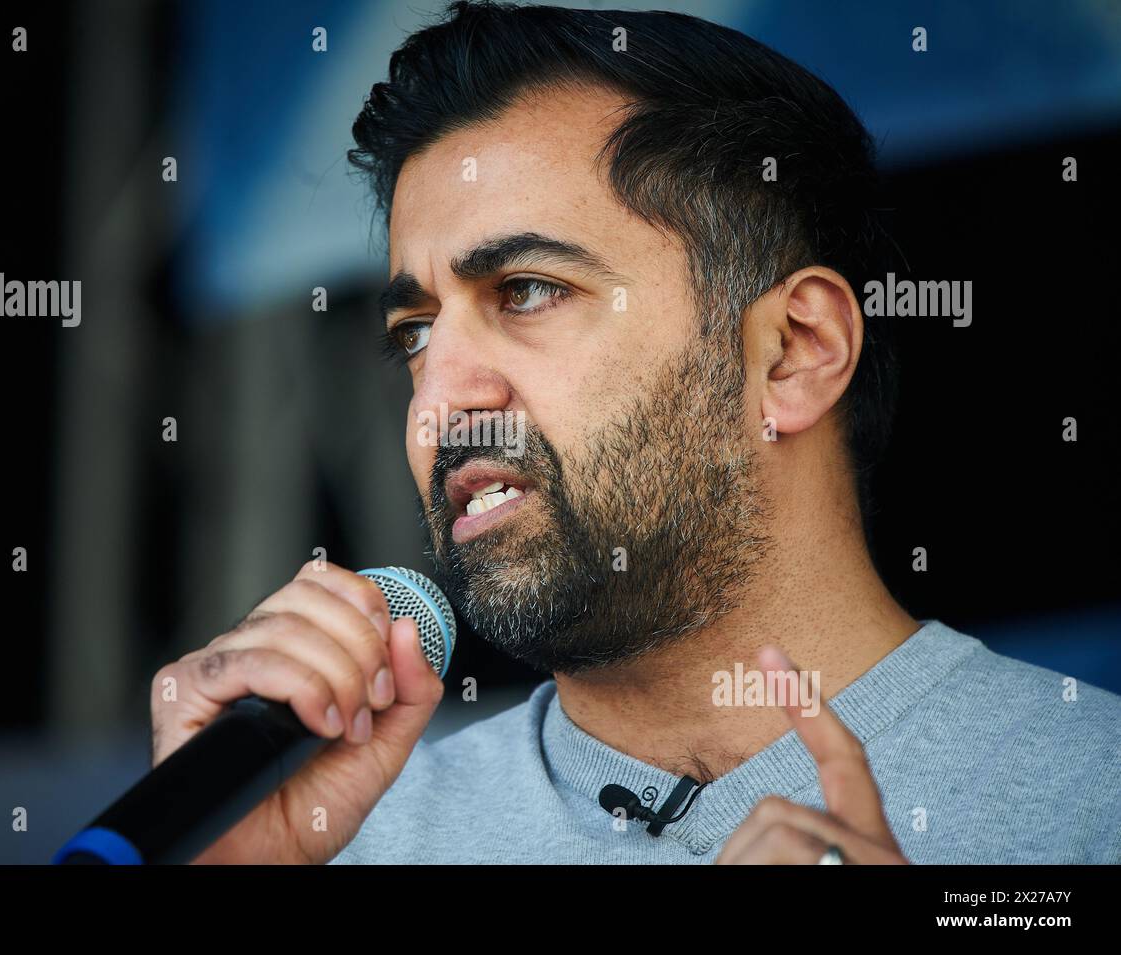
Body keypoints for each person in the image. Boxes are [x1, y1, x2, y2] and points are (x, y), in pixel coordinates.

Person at [150, 1, 1120, 864]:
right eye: (414, 332)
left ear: (792, 350)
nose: (438, 400)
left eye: (526, 290)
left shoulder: (1089, 800)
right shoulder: (339, 838)